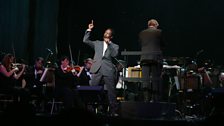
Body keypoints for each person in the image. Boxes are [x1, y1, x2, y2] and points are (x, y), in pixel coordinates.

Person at [83, 20, 119, 116]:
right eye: (105, 32)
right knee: (92, 88)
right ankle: (90, 109)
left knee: (111, 91)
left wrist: (110, 44)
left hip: (108, 70)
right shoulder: (97, 43)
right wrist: (89, 29)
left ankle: (113, 111)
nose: (106, 34)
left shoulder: (115, 46)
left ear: (111, 36)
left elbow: (115, 54)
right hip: (97, 68)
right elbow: (85, 41)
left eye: (108, 33)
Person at [138, 19, 165, 102]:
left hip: (144, 59)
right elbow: (163, 44)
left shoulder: (142, 33)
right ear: (156, 25)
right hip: (155, 59)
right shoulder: (159, 32)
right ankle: (155, 100)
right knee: (155, 79)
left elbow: (141, 43)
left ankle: (146, 99)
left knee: (145, 80)